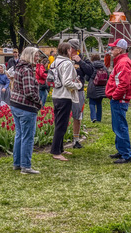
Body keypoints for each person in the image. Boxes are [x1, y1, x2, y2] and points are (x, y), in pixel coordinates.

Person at [10, 47, 43, 175]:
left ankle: (17, 163)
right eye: (35, 56)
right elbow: (29, 91)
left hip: (15, 104)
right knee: (27, 137)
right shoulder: (27, 70)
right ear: (29, 56)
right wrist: (38, 102)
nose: (37, 58)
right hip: (26, 107)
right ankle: (26, 166)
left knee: (19, 135)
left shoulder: (18, 67)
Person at [49, 42, 82, 161]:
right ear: (67, 51)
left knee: (58, 123)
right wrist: (78, 85)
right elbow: (67, 82)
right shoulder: (67, 63)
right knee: (61, 125)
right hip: (64, 96)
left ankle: (60, 148)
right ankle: (56, 151)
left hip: (56, 95)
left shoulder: (55, 62)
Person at [105, 38, 131, 164]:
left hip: (119, 100)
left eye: (113, 48)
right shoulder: (122, 61)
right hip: (118, 99)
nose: (111, 50)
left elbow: (123, 84)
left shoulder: (123, 63)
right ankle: (122, 150)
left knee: (120, 127)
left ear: (120, 49)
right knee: (117, 126)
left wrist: (115, 96)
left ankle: (126, 154)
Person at [86, 54, 107, 123]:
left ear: (92, 59)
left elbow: (87, 78)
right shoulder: (103, 66)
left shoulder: (91, 66)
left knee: (92, 103)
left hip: (93, 86)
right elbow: (108, 76)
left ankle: (93, 117)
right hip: (101, 87)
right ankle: (99, 119)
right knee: (99, 103)